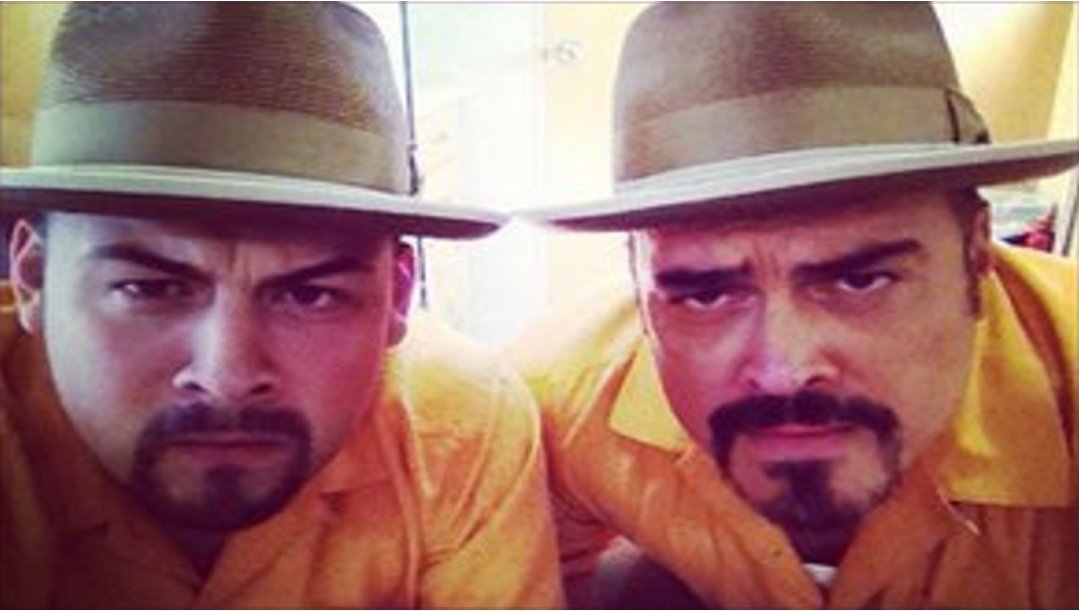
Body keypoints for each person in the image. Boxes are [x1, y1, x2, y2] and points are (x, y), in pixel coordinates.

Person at [511, 3, 1078, 608]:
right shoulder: (554, 403)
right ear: (635, 276)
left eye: (859, 281)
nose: (783, 370)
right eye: (706, 294)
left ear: (975, 252)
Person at [0, 3, 563, 608]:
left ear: (398, 297)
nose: (228, 376)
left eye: (309, 295)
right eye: (150, 289)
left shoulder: (456, 425)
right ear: (31, 277)